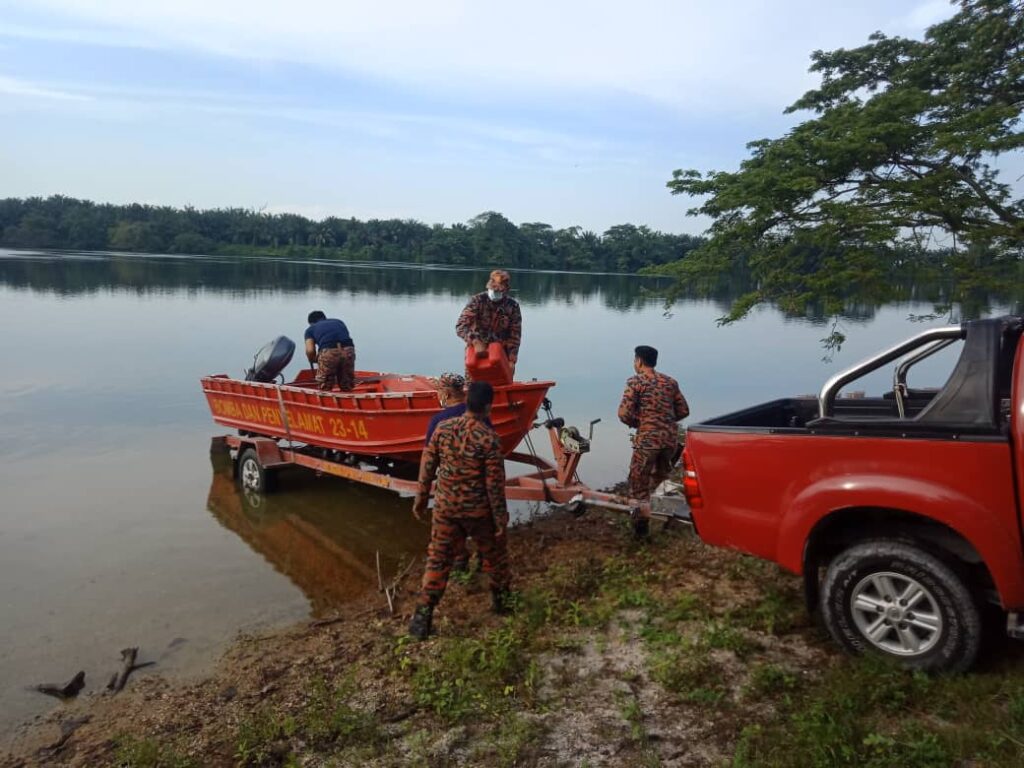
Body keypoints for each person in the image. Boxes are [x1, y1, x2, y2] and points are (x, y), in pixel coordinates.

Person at [408, 381, 512, 640]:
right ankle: (502, 603)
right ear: (488, 406)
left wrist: (420, 499)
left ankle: (422, 618)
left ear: (467, 401)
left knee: (438, 559)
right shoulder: (488, 438)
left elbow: (427, 468)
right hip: (478, 513)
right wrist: (501, 518)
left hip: (446, 509)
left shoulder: (443, 429)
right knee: (494, 557)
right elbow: (494, 485)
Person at [617, 345, 690, 538]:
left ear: (639, 361)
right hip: (669, 440)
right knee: (662, 478)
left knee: (639, 482)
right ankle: (666, 522)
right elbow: (684, 411)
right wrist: (665, 422)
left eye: (634, 360)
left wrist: (639, 423)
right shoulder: (670, 382)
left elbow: (623, 413)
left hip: (648, 440)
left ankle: (641, 530)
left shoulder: (636, 382)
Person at [456, 269, 522, 376]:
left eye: (498, 290)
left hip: (501, 356)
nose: (495, 292)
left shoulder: (512, 306)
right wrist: (475, 341)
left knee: (502, 385)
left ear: (505, 290)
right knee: (474, 388)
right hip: (476, 354)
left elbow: (515, 335)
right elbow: (461, 326)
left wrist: (512, 360)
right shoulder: (477, 301)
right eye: (493, 289)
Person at [304, 310, 355, 391]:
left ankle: (324, 399)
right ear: (324, 318)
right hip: (348, 350)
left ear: (311, 323)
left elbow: (310, 351)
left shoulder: (310, 329)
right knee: (347, 383)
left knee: (325, 385)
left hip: (329, 352)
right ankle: (348, 396)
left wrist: (313, 360)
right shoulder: (339, 322)